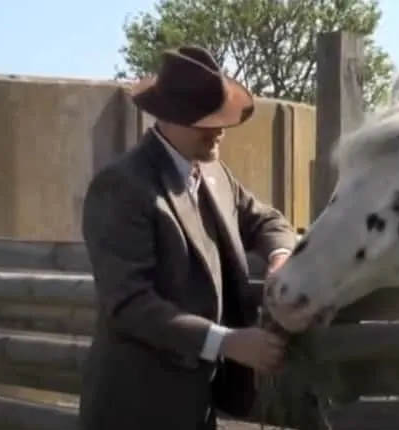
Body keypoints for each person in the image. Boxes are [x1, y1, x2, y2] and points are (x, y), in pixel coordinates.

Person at [79, 45, 298, 430]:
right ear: (169, 117)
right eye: (206, 120)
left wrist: (280, 257)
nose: (220, 131)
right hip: (135, 411)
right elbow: (129, 303)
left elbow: (268, 220)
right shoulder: (123, 186)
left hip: (198, 409)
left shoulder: (215, 176)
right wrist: (227, 342)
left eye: (221, 117)